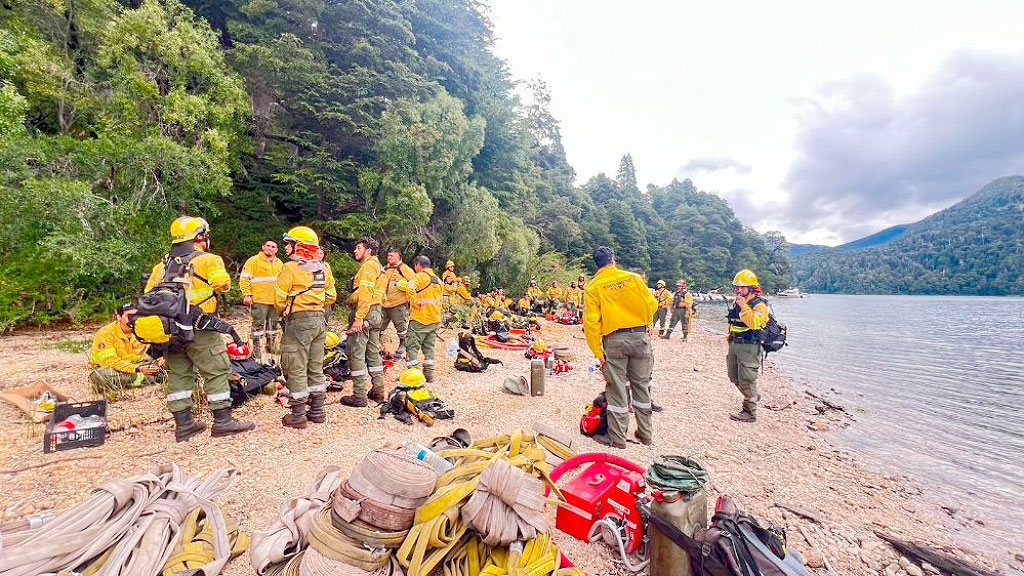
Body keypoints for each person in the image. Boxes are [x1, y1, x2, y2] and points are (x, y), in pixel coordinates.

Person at [145, 216, 255, 442]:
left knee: (179, 375)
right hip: (201, 327)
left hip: (171, 330)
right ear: (199, 237)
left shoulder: (162, 266)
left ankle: (184, 425)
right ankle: (223, 421)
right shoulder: (209, 259)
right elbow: (222, 285)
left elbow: (148, 294)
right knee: (217, 370)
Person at [583, 246, 658, 448]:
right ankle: (645, 434)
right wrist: (645, 324)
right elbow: (652, 304)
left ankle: (617, 439)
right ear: (613, 259)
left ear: (596, 265)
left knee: (617, 389)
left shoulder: (593, 287)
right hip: (640, 337)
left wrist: (598, 353)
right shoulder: (633, 278)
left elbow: (590, 324)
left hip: (614, 341)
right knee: (641, 386)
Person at [274, 226, 336, 428]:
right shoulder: (322, 268)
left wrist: (287, 311)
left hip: (298, 322)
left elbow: (278, 300)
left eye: (288, 244)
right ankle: (317, 411)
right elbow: (331, 296)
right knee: (315, 366)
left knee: (296, 366)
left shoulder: (290, 268)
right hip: (319, 321)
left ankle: (298, 415)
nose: (286, 248)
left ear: (298, 246)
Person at [340, 238, 387, 407]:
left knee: (356, 353)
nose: (355, 251)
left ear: (368, 251)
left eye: (358, 248)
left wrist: (359, 318)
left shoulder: (368, 266)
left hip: (365, 313)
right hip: (376, 313)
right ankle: (379, 392)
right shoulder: (380, 267)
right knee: (373, 353)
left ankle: (359, 396)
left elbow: (365, 294)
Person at [89, 302, 164, 396]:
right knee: (99, 376)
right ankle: (150, 379)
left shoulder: (144, 329)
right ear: (118, 317)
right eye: (130, 315)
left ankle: (144, 380)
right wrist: (136, 369)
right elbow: (110, 362)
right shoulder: (105, 333)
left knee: (174, 363)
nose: (133, 319)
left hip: (142, 367)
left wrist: (162, 359)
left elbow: (158, 349)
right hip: (117, 369)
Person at [726, 269, 770, 422]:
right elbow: (733, 323)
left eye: (742, 287)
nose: (738, 290)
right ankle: (752, 395)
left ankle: (750, 412)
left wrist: (744, 306)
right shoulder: (738, 301)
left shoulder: (760, 305)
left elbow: (755, 323)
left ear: (751, 288)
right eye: (737, 287)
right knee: (733, 376)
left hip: (750, 346)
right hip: (735, 343)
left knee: (747, 378)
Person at [400, 256, 443, 382]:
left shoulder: (420, 276)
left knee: (412, 347)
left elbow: (409, 287)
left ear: (418, 265)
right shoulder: (439, 281)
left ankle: (413, 377)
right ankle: (429, 376)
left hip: (420, 319)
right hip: (435, 320)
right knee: (429, 348)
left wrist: (414, 301)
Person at [240, 240, 284, 361]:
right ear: (263, 247)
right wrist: (247, 294)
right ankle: (256, 350)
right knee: (257, 326)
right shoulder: (253, 261)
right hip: (259, 300)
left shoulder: (279, 263)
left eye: (273, 246)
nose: (270, 248)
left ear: (276, 250)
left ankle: (271, 346)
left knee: (273, 325)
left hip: (275, 301)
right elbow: (244, 279)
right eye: (268, 246)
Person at [381, 248, 415, 358]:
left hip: (398, 304)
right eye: (388, 255)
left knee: (401, 327)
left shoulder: (403, 268)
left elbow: (414, 281)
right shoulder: (385, 268)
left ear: (399, 257)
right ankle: (377, 346)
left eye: (392, 255)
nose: (389, 257)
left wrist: (406, 289)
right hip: (384, 303)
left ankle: (403, 344)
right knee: (378, 326)